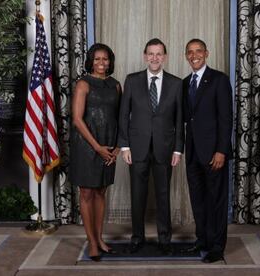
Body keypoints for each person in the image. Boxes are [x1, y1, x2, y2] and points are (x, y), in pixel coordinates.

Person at [118, 38, 183, 255]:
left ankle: (165, 239)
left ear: (164, 57)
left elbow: (179, 119)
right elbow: (123, 115)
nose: (155, 58)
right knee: (138, 195)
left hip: (165, 148)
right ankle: (137, 238)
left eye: (159, 54)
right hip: (136, 148)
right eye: (151, 54)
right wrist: (125, 146)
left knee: (164, 195)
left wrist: (177, 149)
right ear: (145, 56)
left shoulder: (176, 83)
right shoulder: (132, 80)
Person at [181, 38, 232, 263]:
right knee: (198, 199)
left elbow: (226, 118)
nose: (194, 55)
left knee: (216, 201)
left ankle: (217, 247)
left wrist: (221, 150)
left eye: (198, 51)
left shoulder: (219, 80)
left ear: (206, 53)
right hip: (192, 152)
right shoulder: (185, 83)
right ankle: (202, 238)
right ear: (186, 56)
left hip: (213, 153)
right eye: (190, 52)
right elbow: (186, 118)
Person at [69, 43, 121, 261]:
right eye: (97, 59)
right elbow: (77, 120)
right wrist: (97, 147)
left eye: (105, 59)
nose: (102, 63)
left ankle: (100, 238)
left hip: (108, 146)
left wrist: (117, 147)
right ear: (91, 60)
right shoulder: (83, 84)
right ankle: (91, 241)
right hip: (86, 146)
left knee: (101, 191)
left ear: (110, 61)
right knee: (87, 193)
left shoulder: (116, 85)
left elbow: (120, 118)